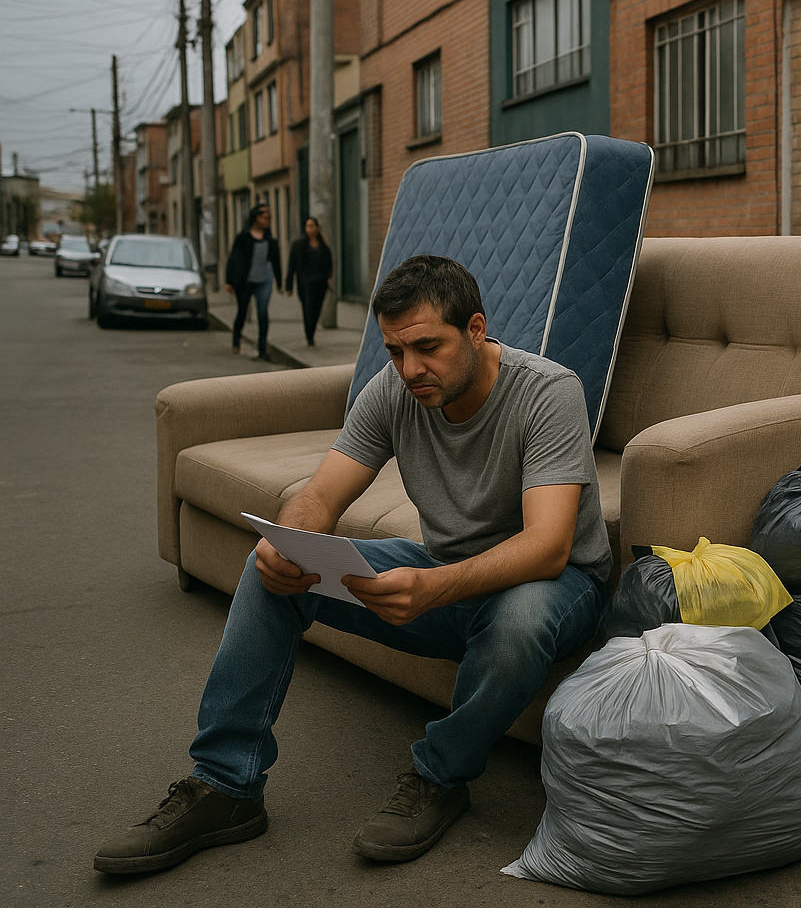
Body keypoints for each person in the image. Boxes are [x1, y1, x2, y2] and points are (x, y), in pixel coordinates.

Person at [94, 255, 610, 873]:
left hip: (557, 586)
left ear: (475, 330)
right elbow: (321, 494)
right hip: (443, 570)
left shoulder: (547, 392)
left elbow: (548, 545)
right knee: (271, 571)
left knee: (519, 621)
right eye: (395, 351)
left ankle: (441, 777)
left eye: (428, 347)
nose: (410, 369)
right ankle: (226, 785)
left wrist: (433, 587)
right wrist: (287, 541)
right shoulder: (394, 389)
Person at [225, 204, 282, 362]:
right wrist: (229, 281)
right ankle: (236, 341)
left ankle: (262, 349)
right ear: (255, 218)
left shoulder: (271, 240)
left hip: (264, 281)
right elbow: (233, 259)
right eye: (264, 217)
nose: (267, 220)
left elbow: (276, 262)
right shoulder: (243, 238)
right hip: (245, 281)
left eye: (269, 218)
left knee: (262, 313)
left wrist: (280, 283)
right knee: (242, 311)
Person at [285, 217, 333, 347]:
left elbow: (328, 262)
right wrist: (289, 286)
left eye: (312, 226)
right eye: (307, 226)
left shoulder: (322, 245)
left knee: (317, 309)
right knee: (308, 309)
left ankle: (312, 331)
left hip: (320, 282)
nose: (310, 229)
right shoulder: (298, 245)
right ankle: (309, 335)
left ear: (317, 228)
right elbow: (292, 266)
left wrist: (328, 276)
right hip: (305, 282)